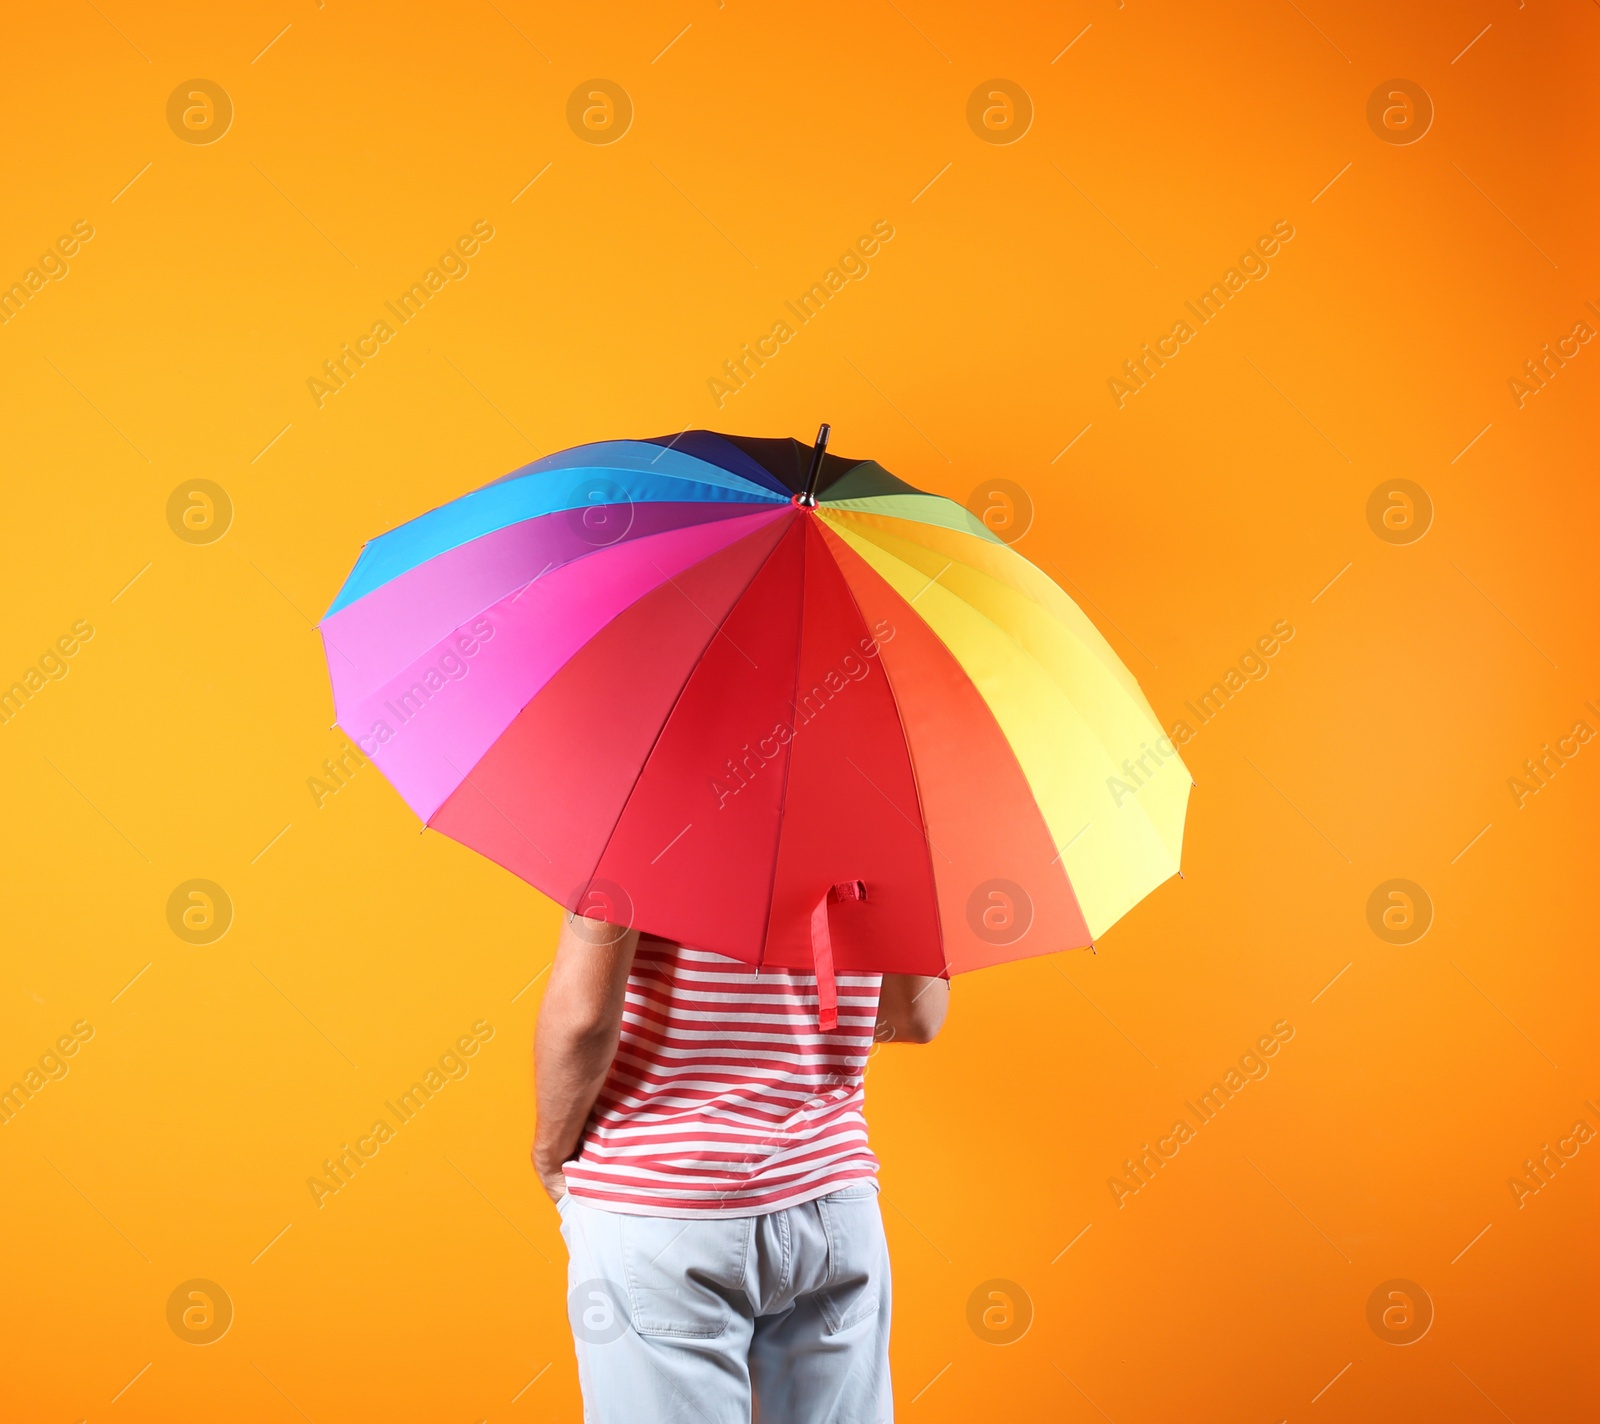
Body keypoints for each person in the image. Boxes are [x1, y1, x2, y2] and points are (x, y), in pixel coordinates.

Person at [533, 908, 949, 1423]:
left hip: (667, 1198)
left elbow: (584, 1018)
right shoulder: (884, 832)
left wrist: (551, 1153)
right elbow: (917, 1015)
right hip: (831, 1199)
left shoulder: (631, 829)